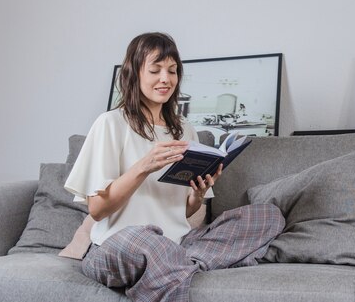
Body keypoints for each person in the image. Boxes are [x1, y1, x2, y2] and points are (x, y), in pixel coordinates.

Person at [65, 33, 284, 302]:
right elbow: (97, 210)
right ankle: (186, 264)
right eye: (155, 70)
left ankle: (174, 263)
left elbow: (182, 212)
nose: (165, 79)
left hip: (176, 242)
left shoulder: (184, 130)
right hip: (116, 247)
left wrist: (198, 194)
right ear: (134, 74)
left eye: (172, 70)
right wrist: (142, 167)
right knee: (142, 237)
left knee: (267, 215)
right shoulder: (111, 123)